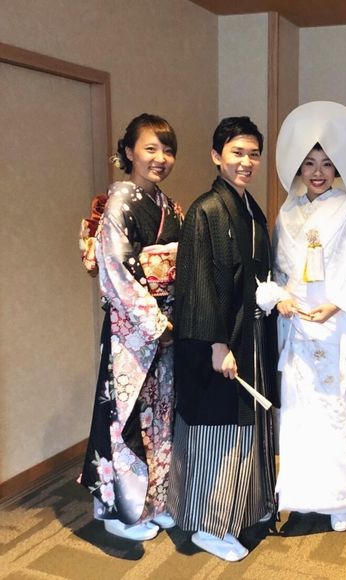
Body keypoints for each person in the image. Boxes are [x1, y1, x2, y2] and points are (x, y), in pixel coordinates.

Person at [167, 117, 278, 562]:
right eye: (237, 152)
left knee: (245, 427)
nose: (246, 162)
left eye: (253, 154)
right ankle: (208, 525)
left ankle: (243, 508)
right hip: (216, 343)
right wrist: (217, 345)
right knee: (217, 431)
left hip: (248, 336)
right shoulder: (206, 210)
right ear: (217, 156)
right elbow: (197, 284)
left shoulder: (250, 209)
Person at [271, 101, 346, 532]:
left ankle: (342, 501)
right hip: (298, 329)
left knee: (339, 415)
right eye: (309, 163)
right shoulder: (287, 213)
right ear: (298, 168)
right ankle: (302, 499)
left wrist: (336, 303)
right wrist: (281, 297)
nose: (317, 172)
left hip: (338, 329)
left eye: (326, 163)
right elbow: (278, 269)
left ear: (337, 168)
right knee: (301, 417)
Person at [80, 114, 181, 541]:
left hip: (167, 324)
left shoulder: (168, 205)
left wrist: (175, 319)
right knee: (124, 417)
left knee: (160, 414)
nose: (160, 158)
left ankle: (151, 501)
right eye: (150, 148)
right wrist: (156, 322)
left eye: (167, 150)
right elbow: (117, 270)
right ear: (128, 152)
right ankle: (116, 510)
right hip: (132, 327)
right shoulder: (120, 202)